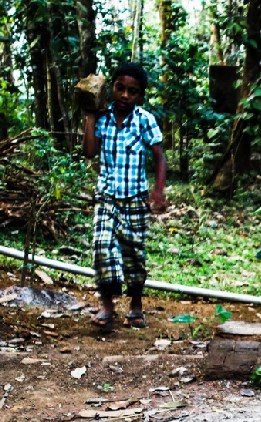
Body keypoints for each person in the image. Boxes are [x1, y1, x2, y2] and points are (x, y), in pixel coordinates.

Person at [82, 61, 166, 328]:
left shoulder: (145, 120)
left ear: (140, 95)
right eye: (120, 88)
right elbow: (89, 152)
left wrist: (158, 191)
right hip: (107, 196)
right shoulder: (102, 118)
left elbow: (159, 156)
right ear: (112, 88)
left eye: (132, 91)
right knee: (102, 246)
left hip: (135, 199)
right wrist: (90, 115)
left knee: (134, 254)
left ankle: (136, 305)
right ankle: (107, 305)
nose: (125, 95)